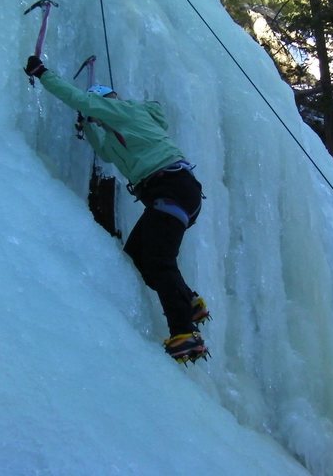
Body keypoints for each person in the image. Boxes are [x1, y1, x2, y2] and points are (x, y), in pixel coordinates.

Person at [24, 55, 210, 363]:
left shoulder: (125, 112)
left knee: (159, 259)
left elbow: (80, 99)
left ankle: (185, 332)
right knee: (138, 255)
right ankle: (188, 301)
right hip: (174, 193)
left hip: (171, 189)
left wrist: (43, 74)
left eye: (100, 110)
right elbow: (107, 152)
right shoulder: (119, 133)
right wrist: (89, 126)